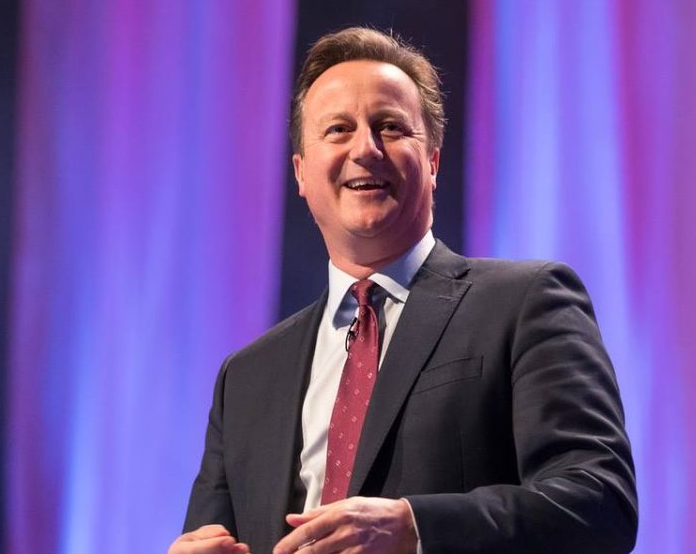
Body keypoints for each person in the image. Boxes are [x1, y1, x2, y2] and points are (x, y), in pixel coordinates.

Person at [169, 27, 637, 554]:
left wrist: (416, 528)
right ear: (301, 173)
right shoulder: (248, 377)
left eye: (390, 127)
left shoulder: (526, 303)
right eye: (338, 129)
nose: (365, 149)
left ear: (433, 161)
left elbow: (598, 503)